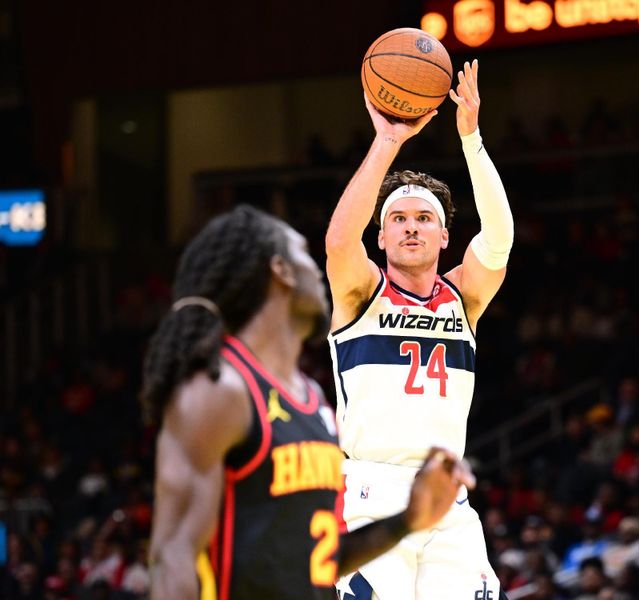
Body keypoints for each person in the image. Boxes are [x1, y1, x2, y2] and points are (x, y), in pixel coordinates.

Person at [141, 205, 474, 600]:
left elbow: (317, 560)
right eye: (304, 253)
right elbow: (172, 557)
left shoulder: (312, 401)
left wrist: (407, 521)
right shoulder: (221, 390)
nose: (318, 268)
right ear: (280, 270)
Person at [326, 59, 514, 599]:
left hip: (446, 500)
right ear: (381, 238)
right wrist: (387, 140)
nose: (411, 226)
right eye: (398, 220)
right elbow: (340, 243)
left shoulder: (464, 297)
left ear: (444, 236)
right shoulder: (361, 293)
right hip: (371, 497)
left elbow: (499, 238)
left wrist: (471, 137)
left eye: (424, 218)